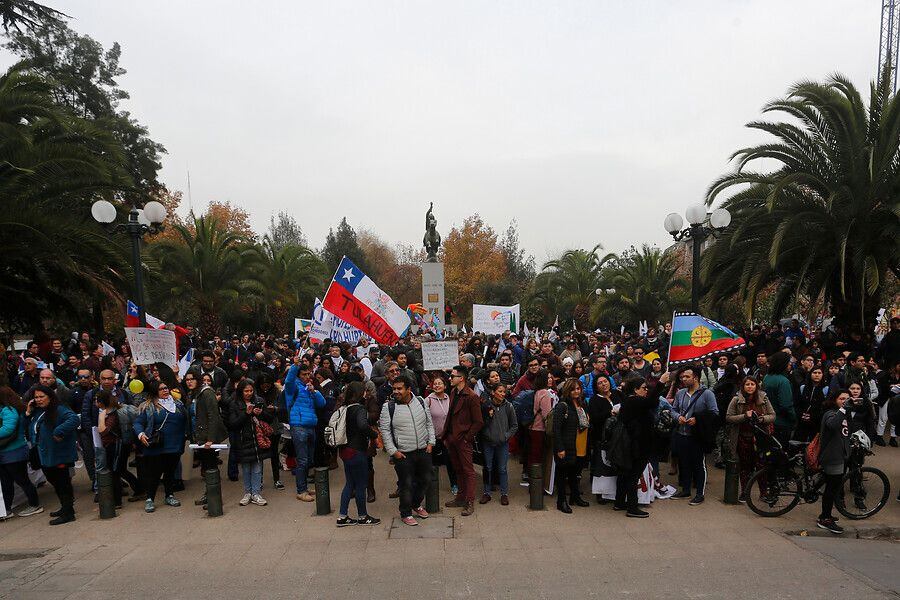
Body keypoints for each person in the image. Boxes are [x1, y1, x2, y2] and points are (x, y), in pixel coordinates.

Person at [379, 374, 435, 526]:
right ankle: (405, 512)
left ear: (409, 389)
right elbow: (385, 430)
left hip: (423, 450)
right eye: (394, 388)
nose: (396, 391)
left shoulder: (421, 402)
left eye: (399, 388)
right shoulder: (389, 407)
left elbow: (429, 423)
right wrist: (393, 451)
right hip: (403, 454)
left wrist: (431, 442)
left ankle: (416, 504)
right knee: (406, 484)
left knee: (426, 479)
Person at [24, 385, 79, 525]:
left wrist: (58, 431)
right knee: (54, 481)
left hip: (59, 454)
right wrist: (28, 412)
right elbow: (29, 428)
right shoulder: (38, 412)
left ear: (50, 397)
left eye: (42, 397)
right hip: (45, 454)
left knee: (63, 482)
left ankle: (68, 513)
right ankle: (65, 507)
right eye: (36, 397)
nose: (38, 400)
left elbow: (74, 419)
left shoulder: (59, 409)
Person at [134, 380, 189, 513]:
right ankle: (150, 499)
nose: (165, 390)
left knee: (170, 472)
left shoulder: (178, 404)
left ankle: (169, 495)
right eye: (161, 389)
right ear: (154, 392)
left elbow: (186, 421)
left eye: (166, 388)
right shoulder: (148, 406)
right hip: (156, 447)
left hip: (175, 445)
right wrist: (141, 434)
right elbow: (138, 423)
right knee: (154, 474)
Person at [670, 366, 718, 505]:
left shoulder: (707, 394)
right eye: (682, 377)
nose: (684, 379)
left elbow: (714, 413)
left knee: (698, 464)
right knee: (684, 464)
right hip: (682, 434)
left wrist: (697, 419)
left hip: (697, 436)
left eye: (687, 377)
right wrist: (678, 417)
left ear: (695, 378)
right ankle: (685, 490)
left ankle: (699, 494)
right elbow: (673, 410)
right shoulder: (680, 394)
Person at [336, 381, 380, 527]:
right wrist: (373, 434)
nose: (366, 393)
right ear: (360, 393)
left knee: (349, 483)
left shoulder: (344, 408)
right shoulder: (360, 409)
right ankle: (362, 516)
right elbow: (362, 425)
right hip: (357, 450)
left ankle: (342, 516)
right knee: (361, 484)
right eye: (364, 391)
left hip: (344, 450)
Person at [443, 365, 484, 516]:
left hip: (463, 440)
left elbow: (478, 422)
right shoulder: (454, 392)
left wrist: (467, 438)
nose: (450, 378)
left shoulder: (471, 396)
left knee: (468, 471)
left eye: (452, 376)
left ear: (461, 378)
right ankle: (460, 497)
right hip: (452, 438)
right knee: (458, 469)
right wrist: (447, 436)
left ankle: (469, 501)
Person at [724, 376, 775, 497]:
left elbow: (772, 415)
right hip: (743, 437)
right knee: (745, 466)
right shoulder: (736, 399)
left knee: (761, 465)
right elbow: (728, 417)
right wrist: (744, 416)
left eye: (752, 384)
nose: (750, 387)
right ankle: (745, 492)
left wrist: (761, 418)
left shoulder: (764, 398)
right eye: (747, 384)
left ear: (756, 386)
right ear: (743, 386)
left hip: (760, 438)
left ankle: (764, 492)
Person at [615, 376, 658, 518]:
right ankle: (632, 507)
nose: (646, 391)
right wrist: (662, 383)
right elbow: (652, 402)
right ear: (635, 390)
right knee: (633, 475)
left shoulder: (629, 401)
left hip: (632, 444)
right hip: (638, 445)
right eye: (644, 388)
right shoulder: (634, 401)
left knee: (625, 474)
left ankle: (620, 502)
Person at [284, 357, 326, 502]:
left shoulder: (309, 388)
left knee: (308, 459)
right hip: (299, 426)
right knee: (302, 460)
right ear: (298, 375)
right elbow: (288, 381)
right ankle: (301, 490)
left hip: (310, 426)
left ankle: (304, 487)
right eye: (304, 374)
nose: (307, 377)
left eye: (309, 374)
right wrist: (294, 366)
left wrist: (315, 392)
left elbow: (322, 404)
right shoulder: (293, 387)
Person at [229, 380, 274, 506]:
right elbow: (232, 424)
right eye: (246, 391)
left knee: (257, 468)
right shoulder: (234, 404)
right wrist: (246, 413)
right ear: (241, 391)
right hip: (243, 440)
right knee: (246, 468)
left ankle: (256, 493)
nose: (249, 393)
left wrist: (261, 413)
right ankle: (247, 493)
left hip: (257, 440)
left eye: (251, 391)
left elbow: (270, 419)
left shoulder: (258, 401)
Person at [0, 386, 42, 519]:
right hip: (6, 454)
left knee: (22, 480)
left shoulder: (9, 410)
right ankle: (6, 510)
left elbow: (8, 429)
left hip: (14, 453)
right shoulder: (7, 409)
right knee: (6, 483)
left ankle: (35, 505)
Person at [186, 371, 227, 508]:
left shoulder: (207, 393)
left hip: (208, 438)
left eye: (192, 379)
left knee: (211, 467)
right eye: (187, 380)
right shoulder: (194, 393)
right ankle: (208, 494)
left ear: (198, 380)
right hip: (199, 436)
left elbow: (213, 416)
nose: (189, 382)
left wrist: (210, 439)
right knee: (205, 468)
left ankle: (214, 498)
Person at [552, 378, 589, 513]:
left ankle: (575, 497)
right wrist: (560, 448)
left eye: (578, 388)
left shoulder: (582, 403)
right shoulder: (563, 405)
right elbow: (556, 428)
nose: (576, 391)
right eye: (573, 389)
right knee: (562, 475)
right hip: (567, 445)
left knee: (575, 474)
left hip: (580, 445)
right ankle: (561, 501)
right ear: (568, 390)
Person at [817, 389, 850, 534]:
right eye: (842, 399)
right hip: (832, 456)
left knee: (832, 484)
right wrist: (844, 409)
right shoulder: (831, 413)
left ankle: (827, 514)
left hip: (840, 455)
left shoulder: (844, 413)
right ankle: (825, 518)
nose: (845, 401)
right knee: (831, 489)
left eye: (847, 399)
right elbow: (832, 425)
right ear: (834, 400)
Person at [479, 383, 517, 506]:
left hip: (502, 443)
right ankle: (487, 492)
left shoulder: (508, 406)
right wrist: (486, 433)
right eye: (500, 391)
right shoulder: (486, 405)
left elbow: (514, 425)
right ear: (493, 392)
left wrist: (506, 436)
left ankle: (504, 493)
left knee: (502, 469)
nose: (502, 394)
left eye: (503, 392)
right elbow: (480, 423)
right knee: (488, 468)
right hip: (488, 443)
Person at [425, 374, 457, 496]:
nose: (437, 385)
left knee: (450, 461)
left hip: (446, 437)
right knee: (430, 463)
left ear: (445, 386)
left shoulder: (449, 398)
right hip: (432, 438)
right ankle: (430, 486)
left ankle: (454, 484)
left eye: (440, 383)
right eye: (435, 384)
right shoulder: (428, 400)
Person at [763, 352, 796, 447]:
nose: (790, 365)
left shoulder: (767, 377)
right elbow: (786, 405)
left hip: (769, 420)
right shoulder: (783, 381)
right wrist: (794, 418)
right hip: (782, 422)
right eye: (789, 363)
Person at [794, 366, 828, 442]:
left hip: (816, 424)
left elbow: (825, 408)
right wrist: (801, 414)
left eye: (819, 373)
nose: (817, 375)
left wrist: (812, 416)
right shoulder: (803, 388)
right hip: (802, 423)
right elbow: (797, 404)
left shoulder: (826, 389)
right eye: (814, 373)